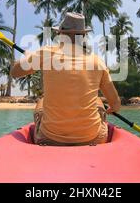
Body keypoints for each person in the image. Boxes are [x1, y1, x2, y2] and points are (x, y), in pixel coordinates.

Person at [11, 12, 121, 146]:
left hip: (49, 138)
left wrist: (29, 57)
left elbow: (14, 72)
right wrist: (111, 108)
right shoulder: (97, 61)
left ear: (61, 34)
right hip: (93, 138)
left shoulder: (46, 53)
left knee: (42, 101)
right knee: (97, 100)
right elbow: (116, 104)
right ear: (84, 36)